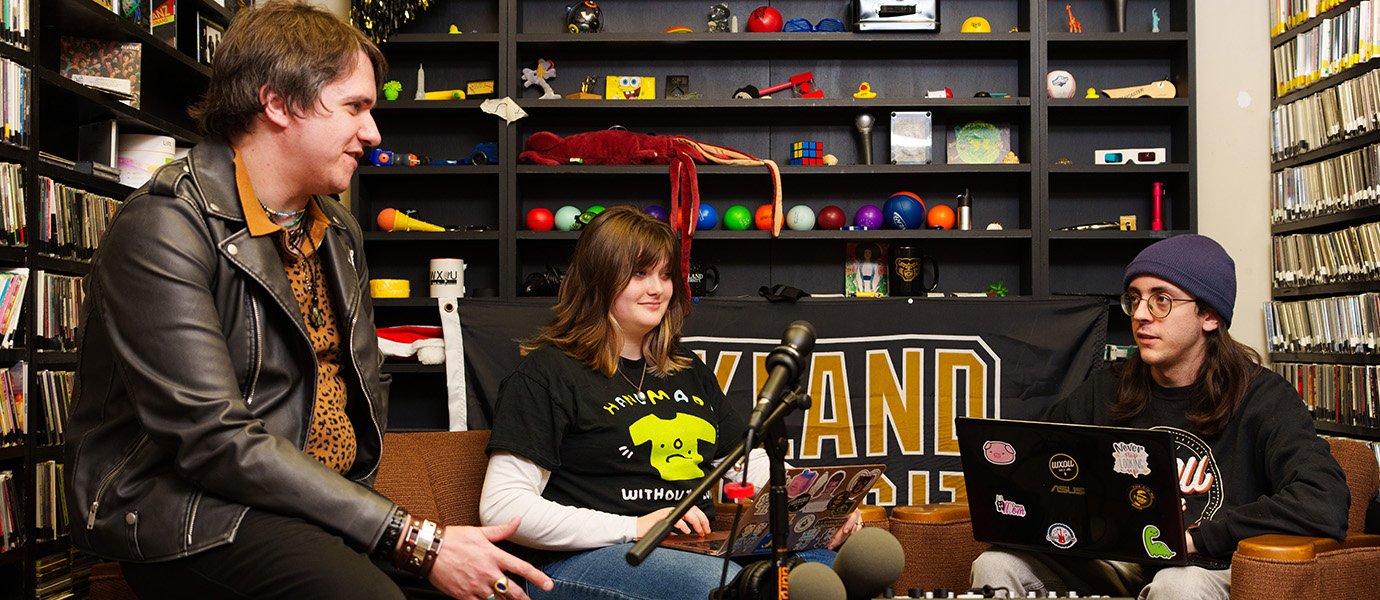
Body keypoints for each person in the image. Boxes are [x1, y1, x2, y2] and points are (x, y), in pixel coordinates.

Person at [63, 3, 551, 599]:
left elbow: (361, 393)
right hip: (188, 513)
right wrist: (409, 537)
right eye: (355, 108)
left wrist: (393, 530)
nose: (373, 134)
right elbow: (214, 439)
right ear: (277, 103)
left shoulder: (338, 232)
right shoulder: (165, 227)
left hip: (310, 504)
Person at [480, 206, 862, 599]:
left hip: (693, 550)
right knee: (725, 587)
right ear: (598, 279)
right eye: (640, 274)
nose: (657, 289)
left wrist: (820, 506)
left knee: (826, 572)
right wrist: (635, 526)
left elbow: (747, 462)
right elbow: (502, 507)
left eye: (664, 275)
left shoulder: (686, 369)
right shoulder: (547, 373)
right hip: (586, 557)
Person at [969, 234, 1350, 599]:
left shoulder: (1262, 397)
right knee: (997, 565)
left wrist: (1198, 537)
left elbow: (1323, 501)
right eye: (1134, 299)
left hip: (1206, 567)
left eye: (1161, 300)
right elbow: (1032, 466)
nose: (1140, 315)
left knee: (1176, 585)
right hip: (1117, 563)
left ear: (1210, 316)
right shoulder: (1105, 389)